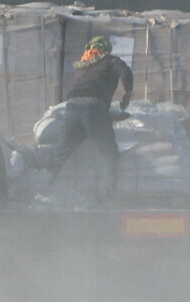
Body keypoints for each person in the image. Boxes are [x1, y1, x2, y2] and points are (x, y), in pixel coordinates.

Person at [48, 36, 132, 195]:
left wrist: (105, 116)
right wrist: (128, 92)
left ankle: (42, 188)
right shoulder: (111, 61)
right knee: (110, 154)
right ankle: (109, 196)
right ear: (106, 50)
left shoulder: (83, 67)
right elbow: (125, 71)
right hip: (94, 110)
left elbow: (86, 100)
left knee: (60, 154)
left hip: (72, 110)